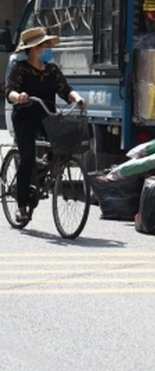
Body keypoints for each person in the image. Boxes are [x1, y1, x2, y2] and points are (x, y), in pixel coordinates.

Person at [5, 27, 86, 226]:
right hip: (25, 118)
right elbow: (10, 92)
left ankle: (44, 166)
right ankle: (22, 205)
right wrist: (20, 97)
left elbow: (65, 90)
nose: (47, 48)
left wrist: (77, 98)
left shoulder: (51, 70)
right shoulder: (20, 68)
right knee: (26, 159)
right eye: (44, 45)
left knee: (66, 143)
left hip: (47, 117)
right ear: (33, 49)